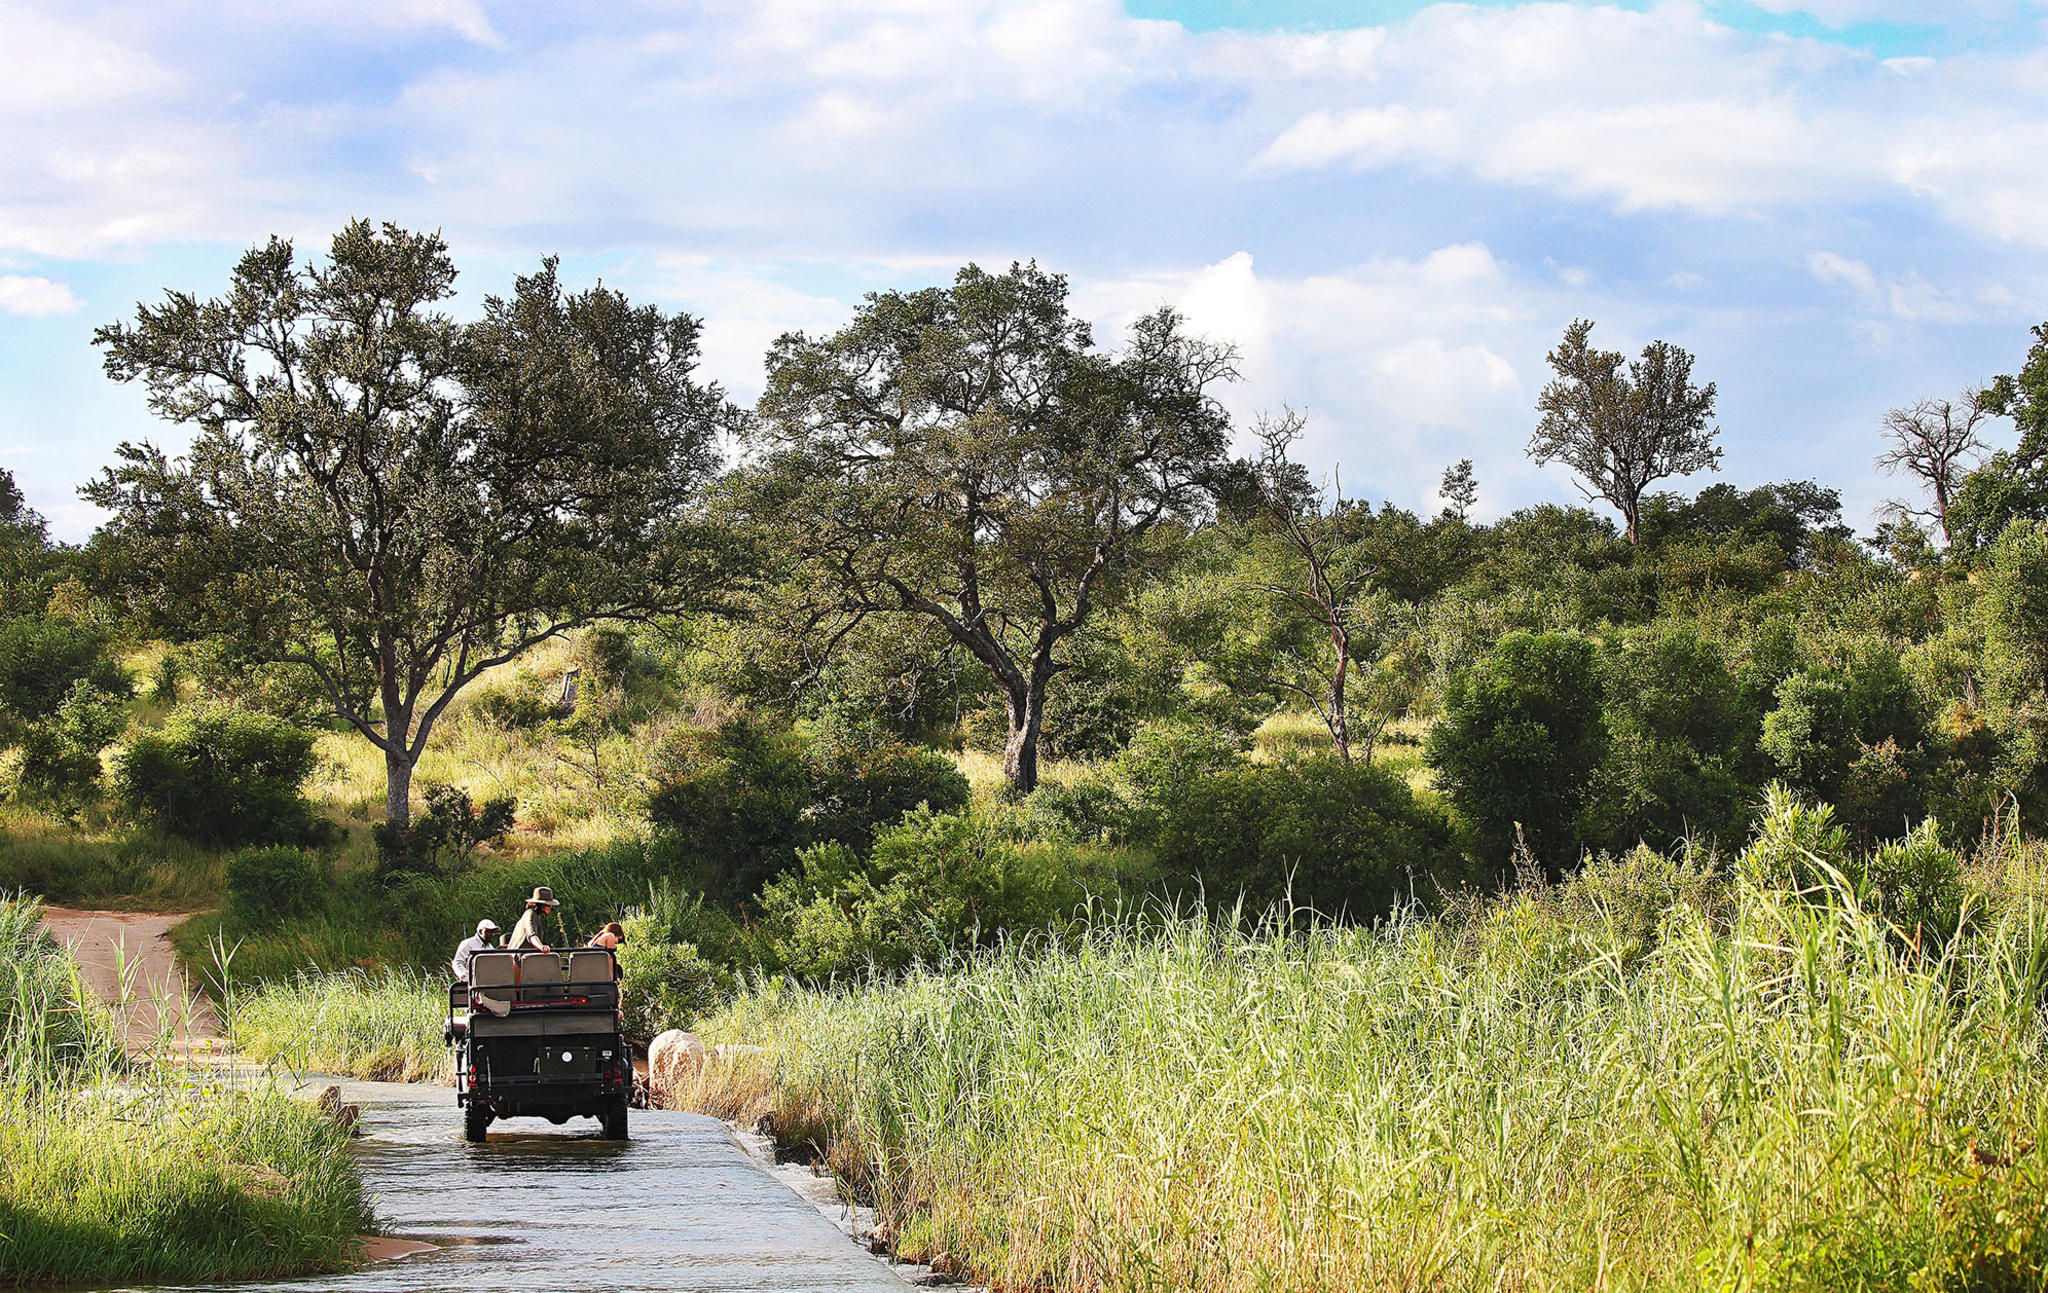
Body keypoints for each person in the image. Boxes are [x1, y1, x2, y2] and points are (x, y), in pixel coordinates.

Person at [506, 886, 560, 951]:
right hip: (519, 957)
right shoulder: (530, 914)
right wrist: (541, 947)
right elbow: (532, 936)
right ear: (540, 905)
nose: (549, 907)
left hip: (528, 956)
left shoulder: (536, 916)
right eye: (547, 905)